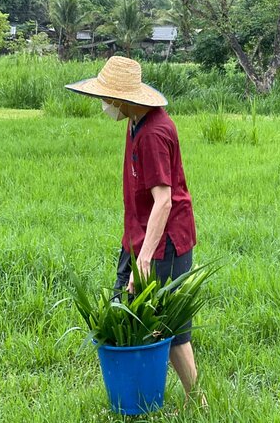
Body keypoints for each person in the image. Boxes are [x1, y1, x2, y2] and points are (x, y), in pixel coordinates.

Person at [65, 56, 204, 405]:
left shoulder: (154, 133)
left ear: (124, 98)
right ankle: (137, 396)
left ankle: (197, 402)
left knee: (171, 329)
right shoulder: (135, 122)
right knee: (126, 315)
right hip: (140, 237)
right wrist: (135, 248)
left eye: (107, 97)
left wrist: (143, 259)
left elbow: (164, 201)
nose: (104, 104)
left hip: (164, 243)